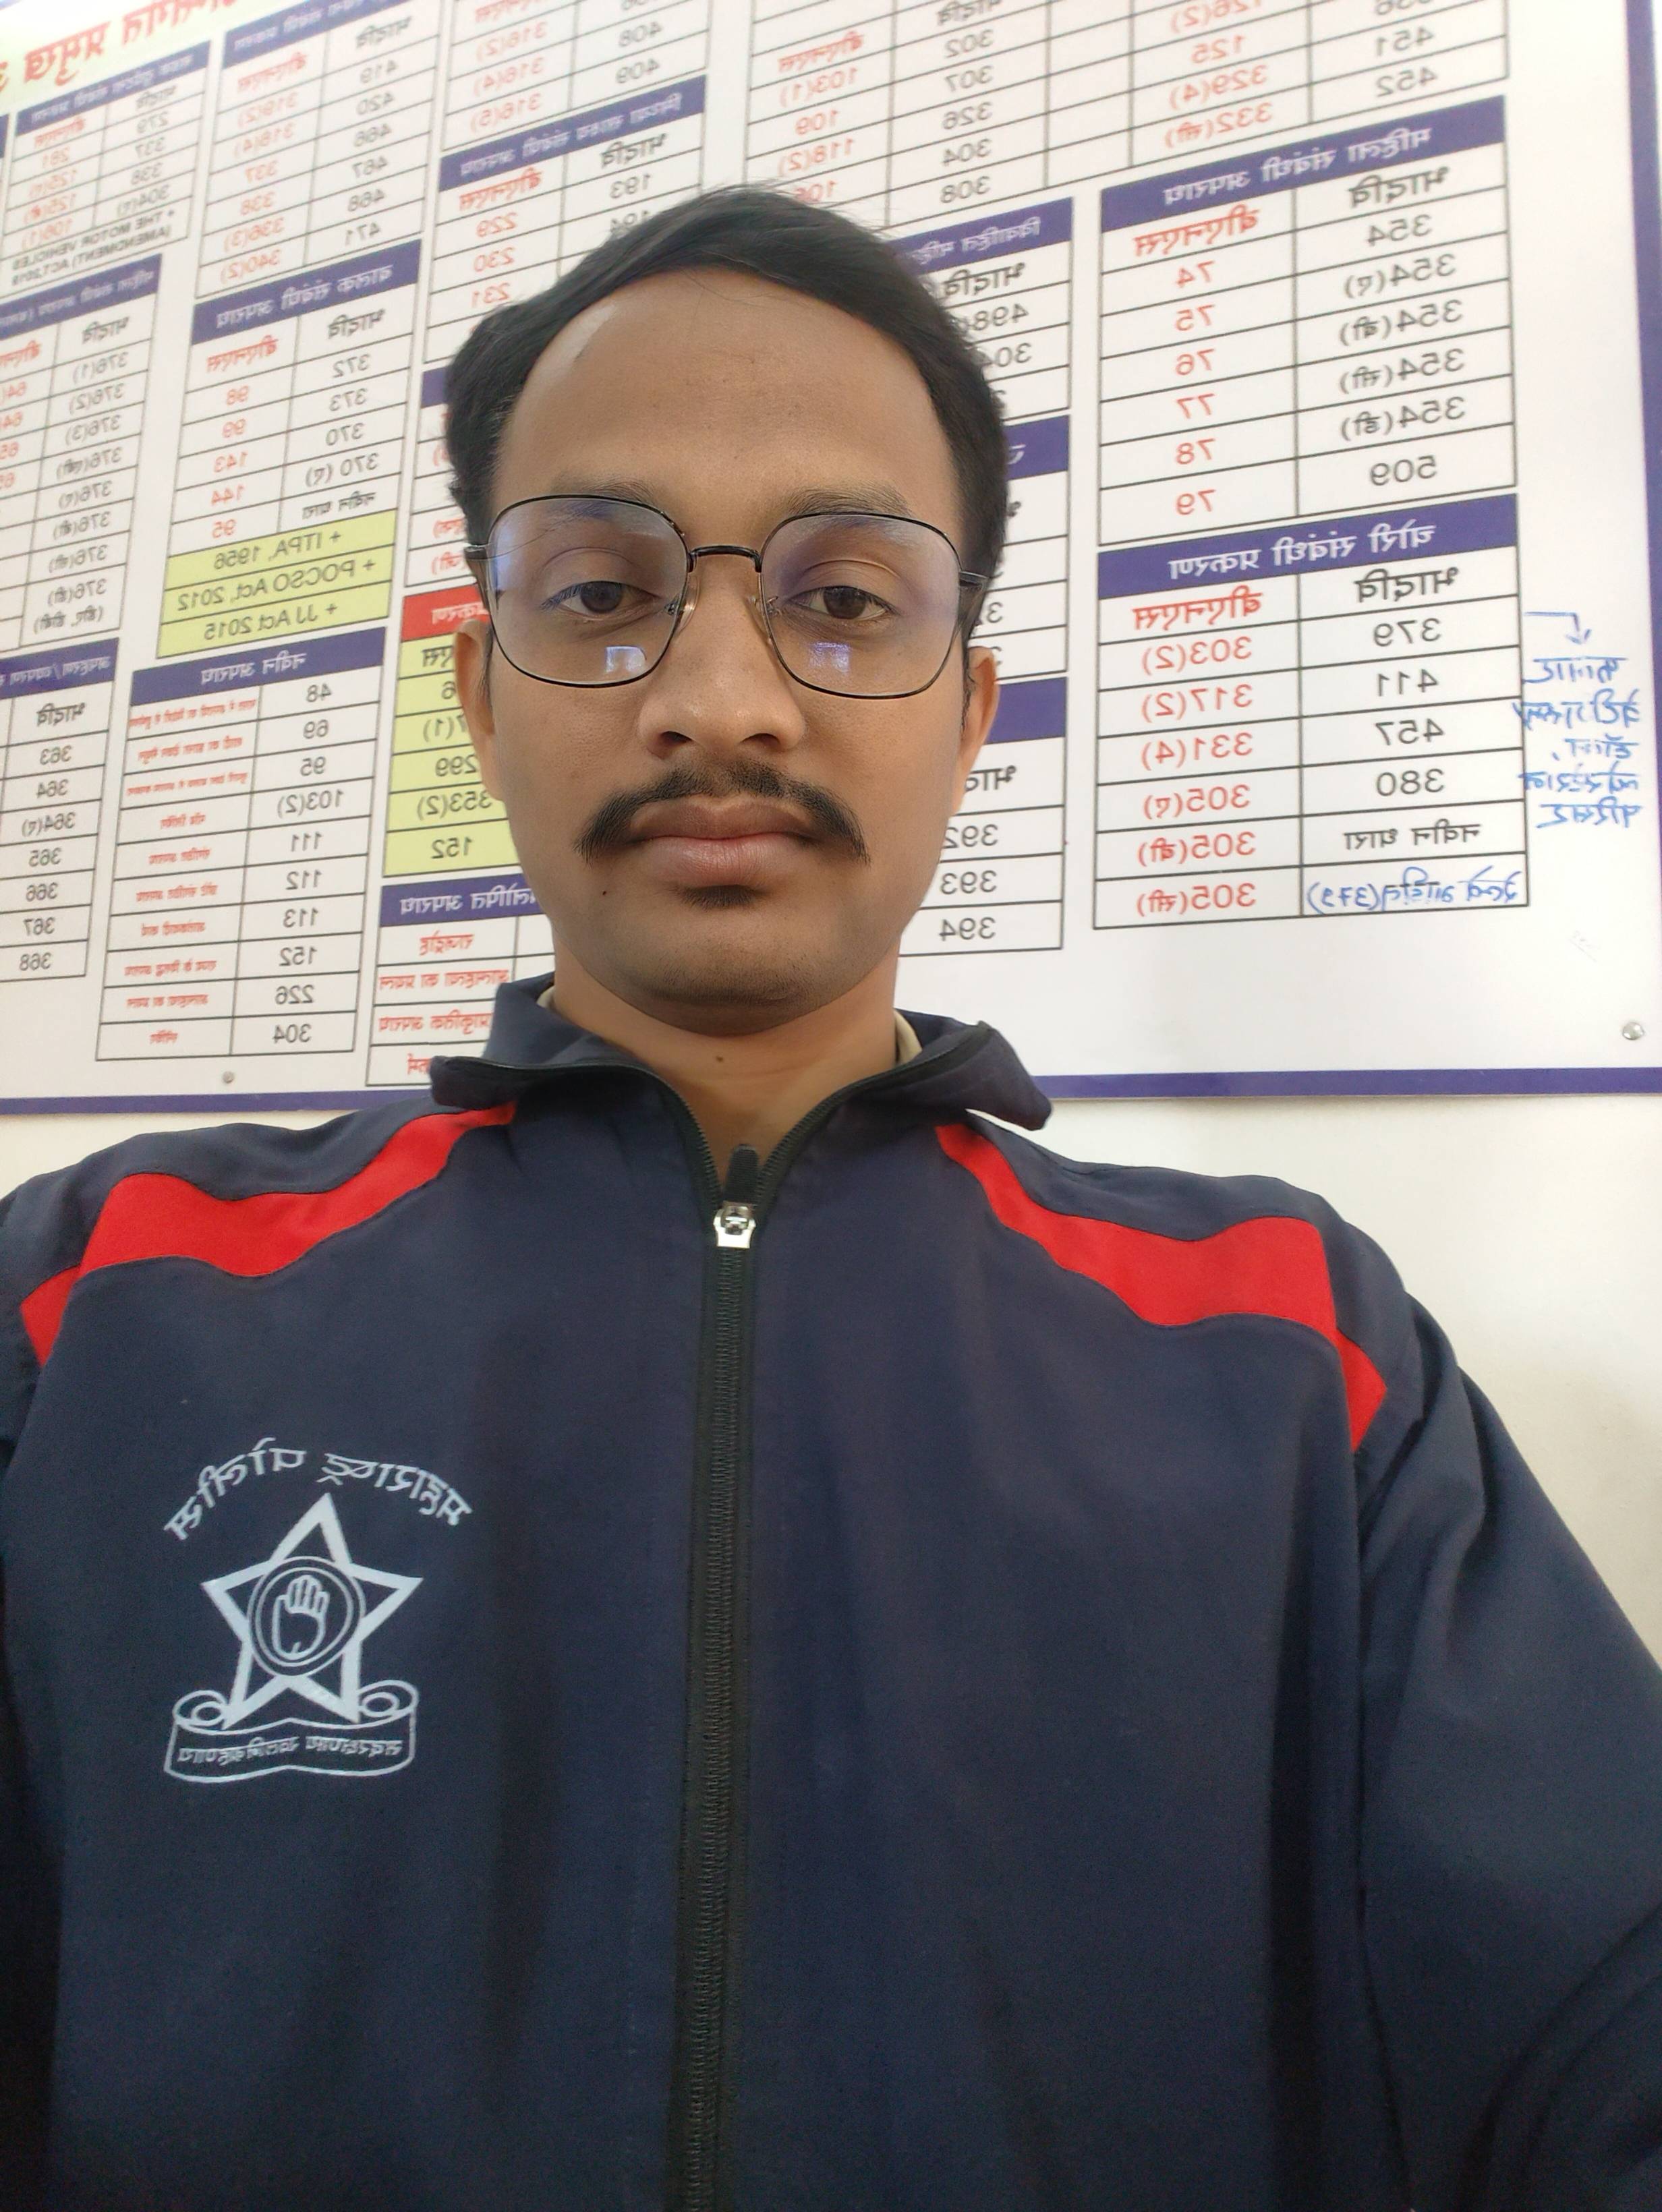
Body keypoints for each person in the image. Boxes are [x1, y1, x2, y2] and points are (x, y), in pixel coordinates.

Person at [1, 188, 1659, 2212]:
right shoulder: (95, 1299)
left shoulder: (1300, 1348)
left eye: (847, 598)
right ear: (481, 699)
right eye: (600, 590)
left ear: (969, 714)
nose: (723, 698)